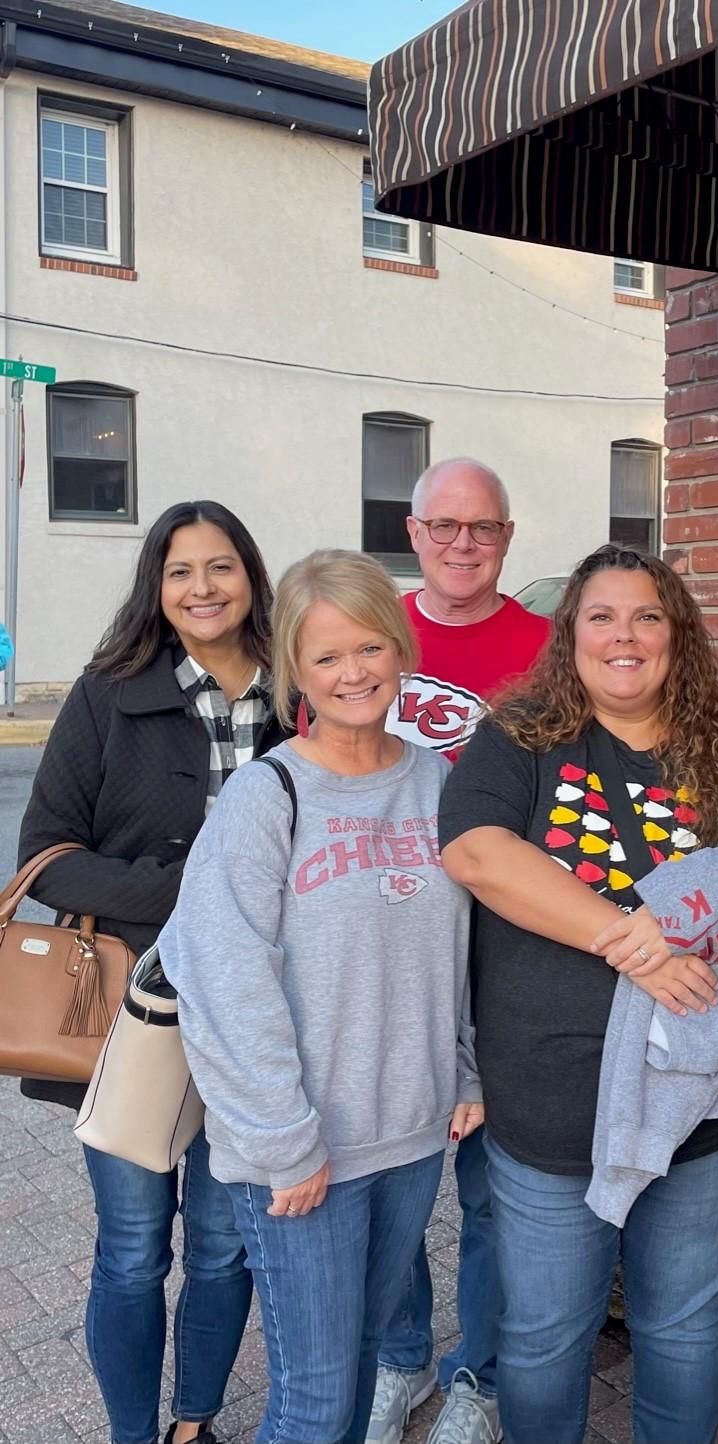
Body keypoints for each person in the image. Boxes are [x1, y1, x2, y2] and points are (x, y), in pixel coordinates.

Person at [438, 543, 718, 1444]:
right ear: (570, 635)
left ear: (676, 636)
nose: (625, 636)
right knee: (542, 1339)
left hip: (696, 1105)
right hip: (551, 1105)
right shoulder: (519, 739)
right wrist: (635, 947)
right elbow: (475, 853)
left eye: (647, 617)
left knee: (686, 1329)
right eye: (602, 617)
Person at [159, 549, 480, 1444]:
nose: (353, 673)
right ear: (296, 667)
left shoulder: (432, 780)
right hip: (302, 1152)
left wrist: (462, 1069)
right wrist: (282, 1142)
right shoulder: (267, 798)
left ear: (399, 647)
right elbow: (222, 976)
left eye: (369, 647)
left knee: (369, 1356)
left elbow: (457, 948)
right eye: (327, 656)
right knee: (313, 1398)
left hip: (411, 1139)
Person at [18, 500, 286, 1444]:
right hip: (135, 1009)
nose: (202, 588)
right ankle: (134, 1433)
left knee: (222, 1249)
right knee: (133, 1252)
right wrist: (190, 895)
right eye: (180, 572)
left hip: (264, 1017)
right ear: (157, 588)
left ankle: (192, 1424)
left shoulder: (297, 692)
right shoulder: (107, 691)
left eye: (220, 567)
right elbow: (48, 851)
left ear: (250, 575)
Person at [372, 459, 549, 1444]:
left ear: (507, 536)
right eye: (443, 524)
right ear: (412, 527)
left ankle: (476, 1373)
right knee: (391, 1177)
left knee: (490, 1188)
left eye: (480, 527)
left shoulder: (545, 649)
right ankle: (398, 1355)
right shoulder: (372, 628)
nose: (461, 543)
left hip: (501, 958)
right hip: (386, 952)